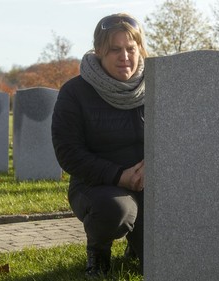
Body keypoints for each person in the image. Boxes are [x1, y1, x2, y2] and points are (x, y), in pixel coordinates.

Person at [51, 13, 148, 277]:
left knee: (159, 261)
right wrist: (120, 176)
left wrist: (156, 167)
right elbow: (68, 153)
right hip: (97, 186)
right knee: (115, 210)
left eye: (131, 48)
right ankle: (99, 252)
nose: (124, 56)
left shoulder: (159, 87)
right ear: (98, 52)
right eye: (115, 49)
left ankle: (137, 247)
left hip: (151, 183)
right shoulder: (74, 92)